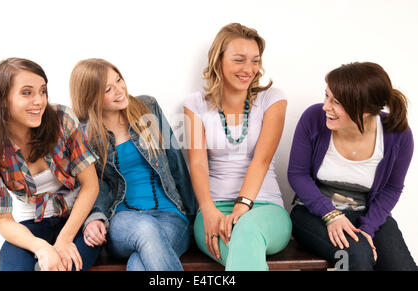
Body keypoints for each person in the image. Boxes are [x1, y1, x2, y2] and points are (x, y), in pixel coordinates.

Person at [0, 58, 101, 271]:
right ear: (2, 100)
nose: (39, 101)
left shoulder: (63, 120)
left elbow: (90, 186)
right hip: (29, 224)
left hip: (75, 220)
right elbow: (4, 220)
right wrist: (41, 247)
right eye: (26, 92)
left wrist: (64, 240)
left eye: (42, 91)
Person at [70, 58, 197, 271]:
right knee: (146, 228)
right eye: (109, 89)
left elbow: (175, 161)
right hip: (122, 221)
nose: (120, 90)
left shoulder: (148, 108)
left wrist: (194, 214)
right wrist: (94, 217)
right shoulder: (85, 134)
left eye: (119, 80)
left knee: (138, 264)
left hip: (170, 217)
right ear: (90, 97)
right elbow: (93, 186)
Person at [288, 62, 417, 271]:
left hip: (368, 213)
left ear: (365, 110)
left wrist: (368, 228)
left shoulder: (397, 134)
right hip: (314, 212)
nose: (325, 106)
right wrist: (331, 215)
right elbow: (297, 174)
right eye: (326, 95)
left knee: (401, 266)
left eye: (336, 101)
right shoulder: (313, 118)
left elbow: (392, 188)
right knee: (355, 254)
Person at [183, 23, 292, 271]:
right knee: (243, 254)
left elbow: (261, 160)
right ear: (218, 60)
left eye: (255, 61)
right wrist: (208, 210)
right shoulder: (196, 104)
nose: (249, 69)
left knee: (246, 231)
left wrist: (241, 208)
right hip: (214, 211)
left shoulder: (272, 99)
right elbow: (198, 162)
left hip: (265, 208)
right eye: (239, 60)